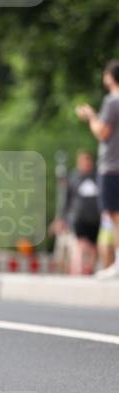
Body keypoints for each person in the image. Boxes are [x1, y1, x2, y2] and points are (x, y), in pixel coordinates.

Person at [76, 59, 119, 278]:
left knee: (115, 215)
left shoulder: (112, 102)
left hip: (112, 166)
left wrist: (91, 116)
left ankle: (118, 264)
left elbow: (103, 133)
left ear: (110, 77)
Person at [58, 151, 101, 275]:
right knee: (80, 244)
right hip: (78, 218)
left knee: (93, 247)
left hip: (95, 218)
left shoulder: (97, 177)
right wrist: (62, 218)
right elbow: (66, 199)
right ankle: (78, 269)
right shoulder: (73, 177)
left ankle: (89, 270)